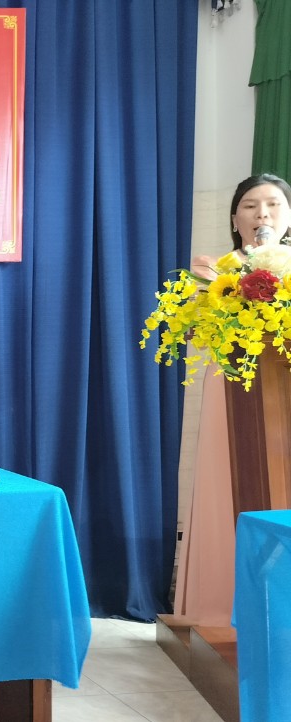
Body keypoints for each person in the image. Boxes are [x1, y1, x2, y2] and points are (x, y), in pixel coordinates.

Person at [174, 173, 291, 627]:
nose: (263, 214)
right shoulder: (212, 273)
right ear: (234, 218)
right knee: (226, 486)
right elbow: (191, 330)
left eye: (274, 204)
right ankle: (220, 610)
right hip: (232, 392)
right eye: (250, 205)